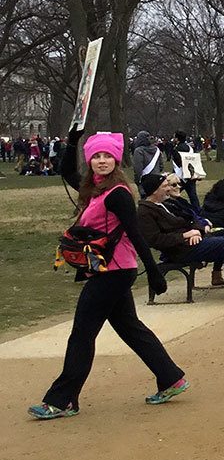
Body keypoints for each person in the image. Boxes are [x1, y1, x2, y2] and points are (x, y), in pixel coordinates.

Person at [28, 129, 188, 420]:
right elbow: (65, 171)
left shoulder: (117, 194)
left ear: (116, 160)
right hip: (107, 270)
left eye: (108, 156)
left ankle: (63, 399)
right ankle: (170, 378)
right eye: (96, 156)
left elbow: (136, 233)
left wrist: (154, 272)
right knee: (130, 328)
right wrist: (74, 141)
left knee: (82, 334)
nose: (102, 161)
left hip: (113, 272)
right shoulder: (94, 190)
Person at [138, 173, 224, 305]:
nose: (168, 189)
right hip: (179, 250)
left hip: (194, 241)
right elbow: (154, 240)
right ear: (154, 191)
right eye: (165, 186)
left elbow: (193, 217)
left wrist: (197, 231)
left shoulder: (167, 204)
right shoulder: (146, 212)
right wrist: (184, 236)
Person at [170, 130, 201, 208]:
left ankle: (178, 208)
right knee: (193, 196)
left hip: (180, 176)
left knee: (173, 194)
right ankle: (197, 211)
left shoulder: (176, 149)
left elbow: (178, 163)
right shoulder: (190, 148)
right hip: (190, 174)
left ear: (177, 139)